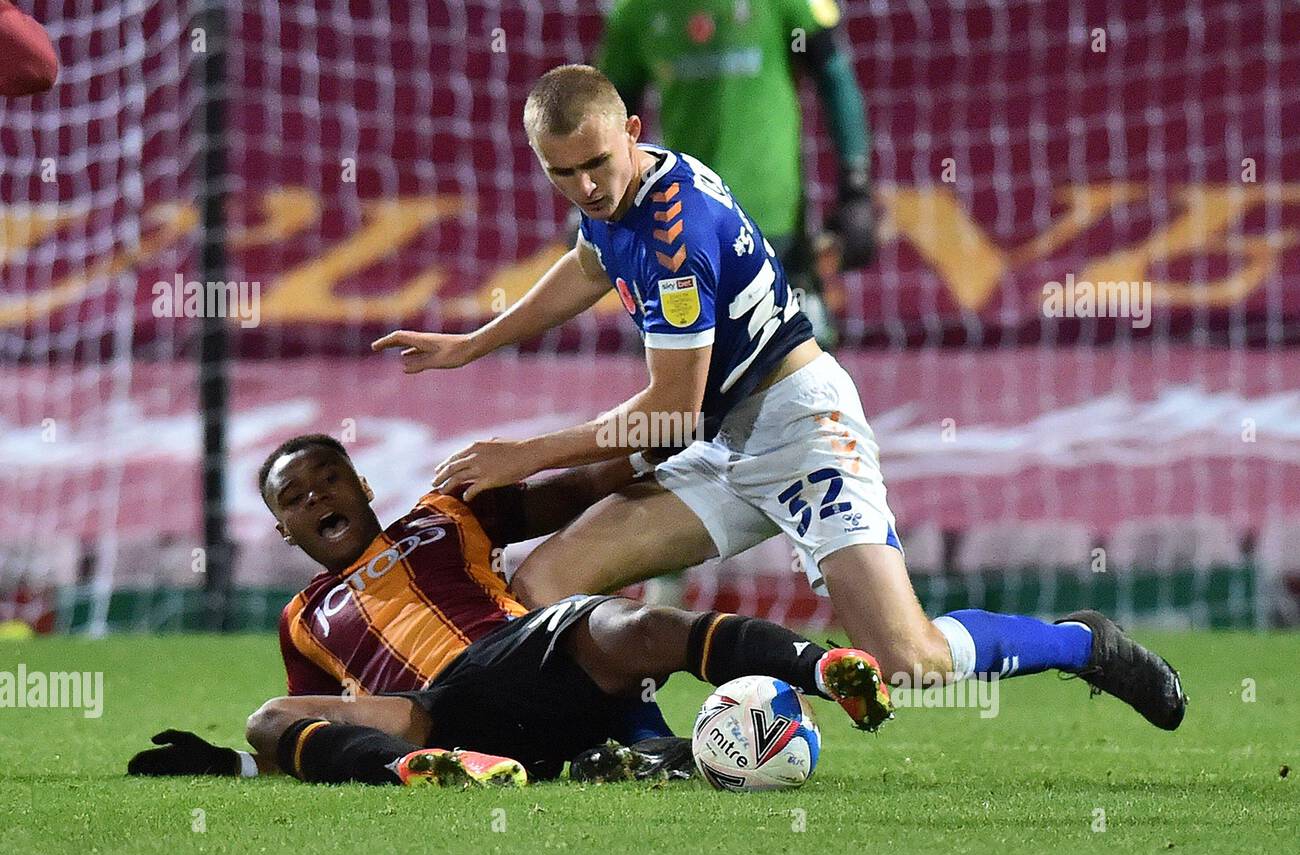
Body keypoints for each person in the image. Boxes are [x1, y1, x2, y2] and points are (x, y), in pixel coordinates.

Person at [372, 65, 1187, 733]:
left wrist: (526, 452)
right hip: (723, 439)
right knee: (546, 587)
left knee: (910, 662)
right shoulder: (630, 184)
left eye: (595, 163)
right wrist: (474, 343)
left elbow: (670, 412)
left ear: (628, 131)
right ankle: (641, 743)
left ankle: (1083, 643)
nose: (585, 185)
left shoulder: (675, 239)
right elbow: (589, 263)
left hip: (799, 427)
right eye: (563, 171)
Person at [127, 434, 891, 787]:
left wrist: (650, 444)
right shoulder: (302, 616)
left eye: (328, 480)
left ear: (363, 484)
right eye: (295, 499)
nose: (317, 497)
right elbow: (320, 730)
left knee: (636, 625)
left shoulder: (442, 514)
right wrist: (235, 762)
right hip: (431, 717)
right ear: (281, 530)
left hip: (524, 653)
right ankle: (432, 774)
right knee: (268, 716)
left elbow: (563, 494)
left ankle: (823, 666)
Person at [596, 0, 877, 350]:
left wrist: (856, 186)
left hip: (776, 226)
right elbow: (605, 117)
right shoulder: (634, 11)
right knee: (687, 382)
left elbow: (834, 76)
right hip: (682, 233)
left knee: (801, 377)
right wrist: (590, 204)